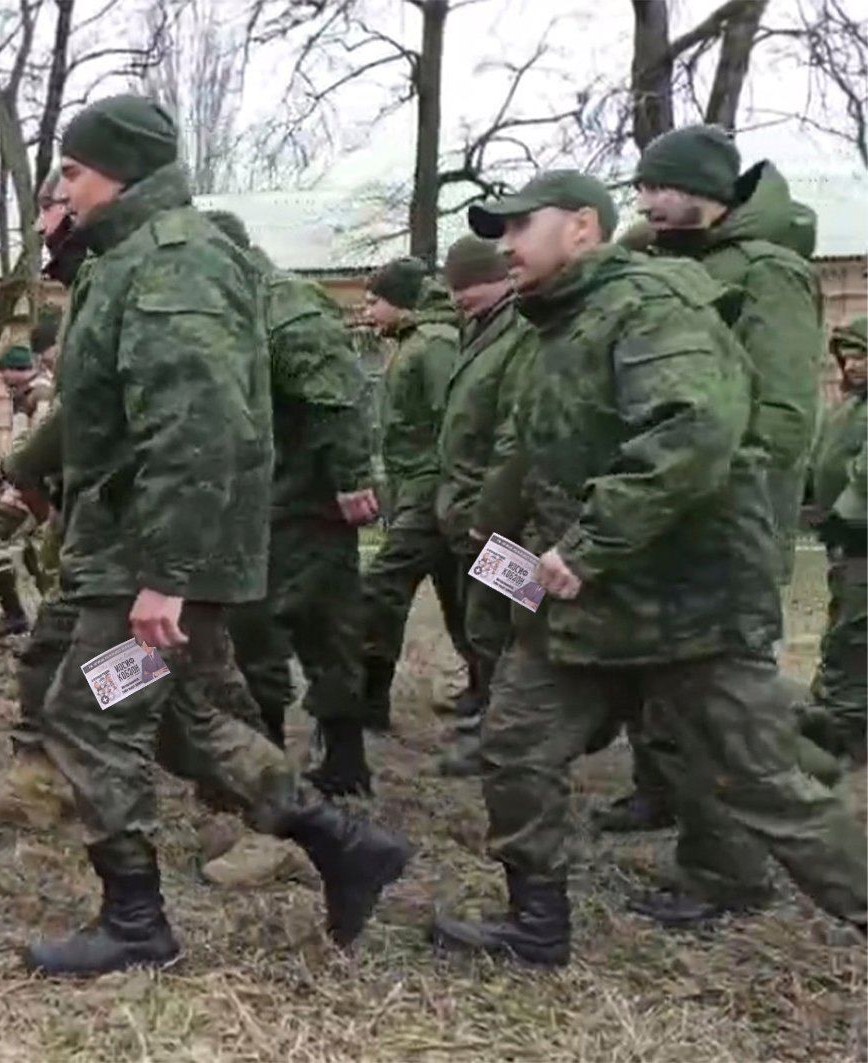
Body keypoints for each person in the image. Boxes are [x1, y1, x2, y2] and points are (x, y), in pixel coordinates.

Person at [430, 170, 867, 967]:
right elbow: (537, 451)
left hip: (684, 600)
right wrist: (478, 526)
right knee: (517, 746)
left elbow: (690, 432)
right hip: (585, 605)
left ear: (582, 229)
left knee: (763, 783)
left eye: (522, 226)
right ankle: (536, 924)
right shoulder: (557, 325)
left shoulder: (650, 306)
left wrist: (587, 544)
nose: (505, 245)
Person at [24, 94, 408, 977]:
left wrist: (169, 573)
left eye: (73, 173)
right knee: (189, 717)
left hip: (146, 561)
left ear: (119, 170)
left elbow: (197, 425)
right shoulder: (126, 261)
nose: (64, 191)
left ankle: (135, 920)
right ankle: (342, 841)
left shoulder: (173, 262)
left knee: (85, 717)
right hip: (141, 549)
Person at [596, 124, 826, 834]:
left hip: (727, 517)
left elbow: (784, 415)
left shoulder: (766, 272)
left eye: (659, 187)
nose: (645, 202)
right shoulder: (667, 264)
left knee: (721, 692)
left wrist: (705, 477)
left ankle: (730, 851)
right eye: (638, 188)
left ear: (706, 191)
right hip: (661, 506)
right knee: (654, 669)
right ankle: (661, 790)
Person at [207, 210, 380, 802]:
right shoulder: (237, 306)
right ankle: (271, 756)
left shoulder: (283, 307)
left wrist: (351, 479)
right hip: (261, 502)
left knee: (311, 630)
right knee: (264, 630)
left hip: (300, 505)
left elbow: (336, 397)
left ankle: (320, 762)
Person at [0, 174, 83, 829]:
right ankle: (41, 778)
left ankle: (291, 816)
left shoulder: (148, 301)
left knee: (167, 688)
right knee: (57, 660)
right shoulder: (106, 298)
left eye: (56, 206)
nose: (42, 227)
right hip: (106, 542)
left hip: (151, 552)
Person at [433, 235, 538, 777]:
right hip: (475, 511)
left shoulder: (519, 333)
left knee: (506, 623)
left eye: (470, 287)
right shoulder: (480, 331)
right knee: (486, 622)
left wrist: (488, 514)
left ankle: (507, 735)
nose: (459, 299)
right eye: (455, 290)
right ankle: (494, 715)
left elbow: (512, 436)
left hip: (503, 518)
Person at [359, 257, 470, 730]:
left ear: (401, 302)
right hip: (421, 487)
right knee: (461, 590)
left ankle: (366, 703)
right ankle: (489, 689)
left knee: (382, 584)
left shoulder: (434, 345)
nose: (366, 312)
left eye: (374, 302)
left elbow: (455, 421)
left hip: (434, 488)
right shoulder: (411, 344)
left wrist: (448, 493)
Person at [799, 317, 867, 763]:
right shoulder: (845, 409)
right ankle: (834, 714)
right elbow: (819, 459)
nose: (853, 364)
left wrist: (846, 513)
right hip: (843, 540)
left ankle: (847, 729)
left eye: (862, 354)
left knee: (856, 633)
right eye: (847, 356)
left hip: (861, 538)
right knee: (844, 623)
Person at [0, 343, 57, 640]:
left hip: (36, 487)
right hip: (32, 484)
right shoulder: (30, 397)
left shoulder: (42, 397)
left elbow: (37, 447)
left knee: (1, 543)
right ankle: (49, 623)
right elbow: (24, 447)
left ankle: (30, 617)